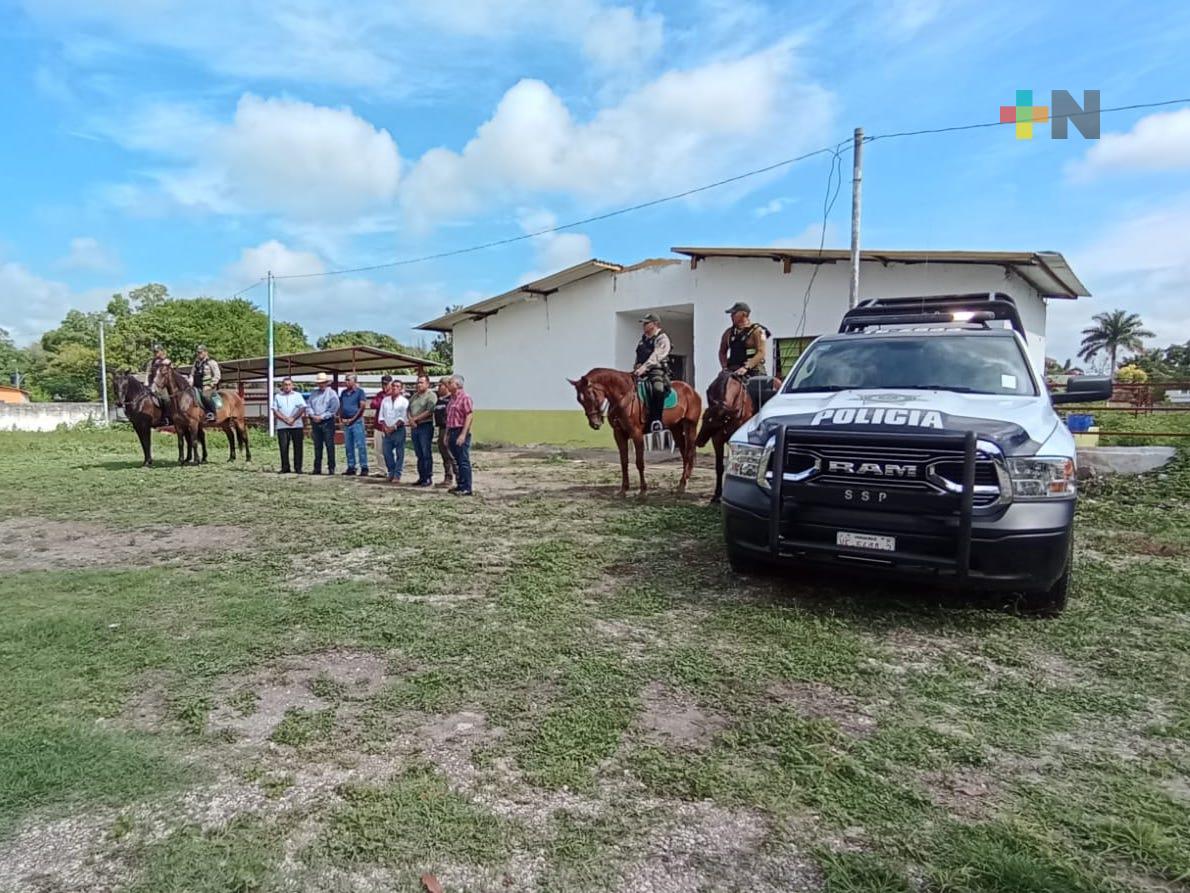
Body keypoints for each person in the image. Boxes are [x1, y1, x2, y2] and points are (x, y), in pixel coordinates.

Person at [718, 301, 771, 411]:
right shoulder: (728, 333)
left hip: (753, 370)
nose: (731, 316)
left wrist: (746, 367)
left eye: (734, 313)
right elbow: (722, 352)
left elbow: (761, 352)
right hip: (733, 369)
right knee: (718, 386)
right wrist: (724, 367)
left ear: (743, 314)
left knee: (760, 392)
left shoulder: (757, 331)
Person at [633, 313, 671, 432]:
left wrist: (643, 368)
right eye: (643, 323)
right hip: (640, 371)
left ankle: (657, 420)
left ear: (655, 324)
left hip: (656, 370)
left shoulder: (662, 338)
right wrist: (636, 368)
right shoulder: (642, 340)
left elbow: (656, 356)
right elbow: (638, 357)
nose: (643, 326)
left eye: (646, 323)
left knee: (658, 389)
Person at [306, 372, 340, 475]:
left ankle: (331, 468)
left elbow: (334, 408)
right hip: (315, 421)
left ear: (326, 383)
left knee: (329, 445)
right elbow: (309, 406)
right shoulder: (313, 393)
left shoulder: (332, 393)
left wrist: (322, 416)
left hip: (327, 421)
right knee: (317, 445)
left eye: (323, 382)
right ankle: (317, 468)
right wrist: (313, 415)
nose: (321, 384)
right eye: (319, 383)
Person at [445, 375, 474, 496]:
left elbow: (469, 415)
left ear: (457, 384)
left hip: (460, 431)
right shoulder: (451, 399)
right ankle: (460, 484)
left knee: (463, 461)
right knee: (456, 460)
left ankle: (467, 487)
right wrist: (446, 434)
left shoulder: (465, 398)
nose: (448, 384)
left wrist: (463, 434)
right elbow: (449, 418)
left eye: (450, 382)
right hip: (452, 431)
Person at [376, 379, 409, 483]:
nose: (395, 388)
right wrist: (385, 427)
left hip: (398, 430)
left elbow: (403, 417)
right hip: (386, 430)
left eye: (398, 386)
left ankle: (397, 475)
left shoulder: (404, 401)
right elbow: (381, 415)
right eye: (394, 386)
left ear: (401, 389)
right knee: (386, 452)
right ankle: (391, 472)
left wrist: (393, 427)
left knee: (400, 453)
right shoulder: (385, 400)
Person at [407, 374, 437, 487]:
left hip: (425, 426)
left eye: (421, 382)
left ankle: (428, 477)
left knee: (426, 453)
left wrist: (415, 419)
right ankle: (421, 476)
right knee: (419, 453)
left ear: (427, 384)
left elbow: (430, 411)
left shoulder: (431, 395)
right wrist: (410, 419)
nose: (419, 385)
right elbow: (408, 409)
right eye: (418, 382)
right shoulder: (414, 396)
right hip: (415, 427)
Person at [272, 377, 307, 473]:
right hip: (282, 426)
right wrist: (285, 419)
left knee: (298, 447)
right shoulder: (278, 396)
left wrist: (293, 418)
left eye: (289, 384)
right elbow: (275, 410)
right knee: (283, 447)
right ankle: (285, 467)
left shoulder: (298, 395)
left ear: (292, 386)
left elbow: (303, 408)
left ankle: (298, 467)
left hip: (296, 425)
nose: (287, 386)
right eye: (285, 385)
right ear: (282, 386)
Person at [338, 373, 369, 477]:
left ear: (354, 381)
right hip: (346, 421)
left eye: (348, 380)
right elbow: (341, 405)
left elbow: (362, 406)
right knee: (348, 445)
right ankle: (351, 466)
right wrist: (341, 418)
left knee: (360, 445)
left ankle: (364, 467)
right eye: (345, 380)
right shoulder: (343, 393)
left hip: (357, 422)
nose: (346, 382)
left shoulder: (360, 392)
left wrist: (353, 418)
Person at [433, 379, 457, 487]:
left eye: (440, 386)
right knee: (444, 455)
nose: (438, 388)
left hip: (448, 429)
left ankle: (458, 478)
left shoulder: (451, 400)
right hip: (441, 429)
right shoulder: (439, 400)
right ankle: (448, 477)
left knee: (450, 455)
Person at [370, 374, 393, 477]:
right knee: (378, 449)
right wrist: (383, 401)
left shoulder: (394, 394)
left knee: (390, 450)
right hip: (379, 426)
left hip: (390, 426)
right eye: (383, 384)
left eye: (386, 384)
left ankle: (392, 470)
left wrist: (383, 402)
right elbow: (373, 404)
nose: (384, 386)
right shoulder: (380, 394)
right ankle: (381, 470)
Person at [192, 345, 222, 421]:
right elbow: (192, 375)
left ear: (206, 352)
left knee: (205, 395)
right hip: (197, 386)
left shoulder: (211, 362)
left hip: (208, 386)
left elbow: (217, 375)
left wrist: (212, 384)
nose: (199, 354)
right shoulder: (196, 363)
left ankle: (212, 413)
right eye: (198, 352)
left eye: (201, 352)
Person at [144, 343, 171, 423]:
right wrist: (146, 382)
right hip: (152, 384)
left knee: (166, 399)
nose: (155, 353)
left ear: (161, 351)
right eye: (155, 352)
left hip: (163, 386)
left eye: (157, 351)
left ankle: (166, 417)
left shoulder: (166, 361)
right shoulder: (151, 362)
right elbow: (148, 373)